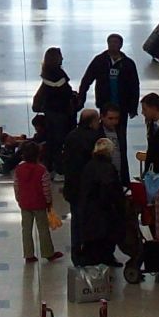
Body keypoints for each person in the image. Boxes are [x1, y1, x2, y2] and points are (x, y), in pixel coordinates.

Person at [78, 35, 142, 159]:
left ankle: (121, 166)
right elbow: (87, 79)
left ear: (121, 45)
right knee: (104, 135)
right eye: (110, 42)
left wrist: (133, 107)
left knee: (121, 138)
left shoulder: (128, 64)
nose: (113, 45)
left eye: (116, 42)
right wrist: (81, 97)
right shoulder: (100, 61)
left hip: (122, 107)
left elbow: (134, 86)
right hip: (105, 105)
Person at [74, 137, 127, 267]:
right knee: (106, 238)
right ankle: (106, 259)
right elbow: (110, 190)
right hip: (103, 211)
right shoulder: (108, 168)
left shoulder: (89, 165)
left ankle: (96, 261)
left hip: (89, 209)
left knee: (93, 241)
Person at [13, 142, 62, 263]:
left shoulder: (18, 170)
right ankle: (48, 253)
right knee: (43, 229)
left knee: (26, 229)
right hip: (39, 204)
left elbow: (16, 186)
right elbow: (46, 189)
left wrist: (19, 199)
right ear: (38, 155)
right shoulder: (42, 170)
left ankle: (28, 254)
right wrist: (49, 202)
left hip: (25, 204)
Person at [32, 48, 78, 173]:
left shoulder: (46, 75)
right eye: (60, 56)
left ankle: (50, 167)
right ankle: (59, 170)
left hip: (49, 113)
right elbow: (65, 93)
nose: (62, 59)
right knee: (60, 142)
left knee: (51, 141)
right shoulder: (59, 76)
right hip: (61, 114)